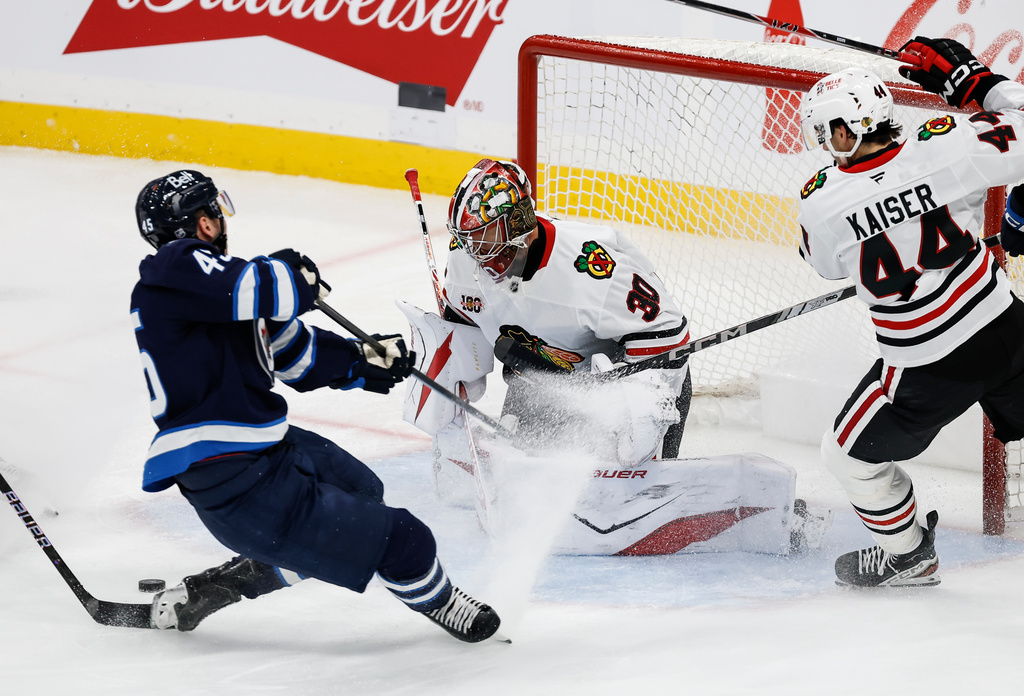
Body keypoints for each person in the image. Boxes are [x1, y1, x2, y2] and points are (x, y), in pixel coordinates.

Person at [129, 169, 501, 642]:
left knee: (361, 488)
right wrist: (288, 273)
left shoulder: (215, 294)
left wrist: (363, 362)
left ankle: (222, 587)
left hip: (266, 452)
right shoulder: (174, 270)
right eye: (214, 213)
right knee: (405, 540)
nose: (221, 223)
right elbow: (267, 286)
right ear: (201, 224)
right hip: (230, 473)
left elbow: (295, 355)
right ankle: (446, 605)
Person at [398, 159, 832, 556]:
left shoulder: (591, 268)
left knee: (630, 487)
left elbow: (668, 335)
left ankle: (770, 513)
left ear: (520, 223)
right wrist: (449, 369)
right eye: (469, 240)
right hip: (541, 383)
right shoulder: (467, 263)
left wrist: (633, 406)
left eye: (487, 239)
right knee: (533, 480)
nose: (477, 255)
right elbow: (465, 328)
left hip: (629, 383)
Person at [797, 37, 1024, 586]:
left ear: (849, 128)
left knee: (847, 456)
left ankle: (909, 556)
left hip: (925, 368)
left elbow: (827, 265)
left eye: (831, 132)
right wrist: (977, 84)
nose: (829, 145)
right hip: (1006, 330)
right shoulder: (948, 144)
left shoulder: (819, 201)